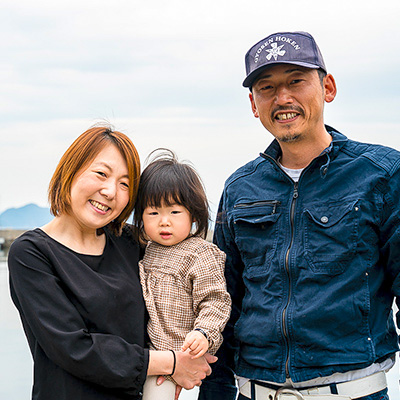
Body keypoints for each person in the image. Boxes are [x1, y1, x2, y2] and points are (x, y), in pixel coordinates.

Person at [199, 31, 399, 400]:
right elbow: (223, 303)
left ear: (328, 87)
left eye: (296, 81)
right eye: (267, 87)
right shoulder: (240, 188)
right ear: (253, 103)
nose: (283, 98)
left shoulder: (383, 174)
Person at [8, 126, 216, 400]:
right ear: (70, 171)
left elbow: (186, 281)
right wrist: (173, 363)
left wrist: (200, 335)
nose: (110, 191)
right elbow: (73, 347)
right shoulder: (32, 253)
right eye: (101, 174)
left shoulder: (129, 242)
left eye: (124, 184)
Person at [133, 150, 231, 400]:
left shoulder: (200, 254)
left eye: (174, 212)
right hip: (152, 355)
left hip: (186, 352)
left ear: (194, 214)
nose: (164, 222)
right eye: (153, 213)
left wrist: (203, 333)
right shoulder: (146, 250)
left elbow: (215, 300)